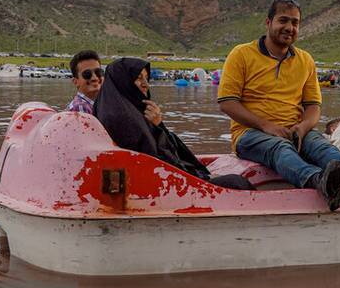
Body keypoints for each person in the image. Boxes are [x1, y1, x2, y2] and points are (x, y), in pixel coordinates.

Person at [218, 0, 340, 211]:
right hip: (250, 134)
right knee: (280, 147)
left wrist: (303, 127)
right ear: (268, 23)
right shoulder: (241, 54)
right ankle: (320, 182)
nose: (289, 27)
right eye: (283, 20)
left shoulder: (305, 60)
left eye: (295, 23)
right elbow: (227, 103)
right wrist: (266, 125)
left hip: (294, 129)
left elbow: (313, 107)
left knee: (321, 147)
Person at [95, 57, 253, 191]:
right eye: (138, 78)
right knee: (236, 183)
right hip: (162, 187)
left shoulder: (123, 110)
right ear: (124, 82)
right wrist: (158, 128)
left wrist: (158, 125)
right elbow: (158, 162)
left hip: (160, 182)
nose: (145, 84)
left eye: (146, 78)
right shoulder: (124, 119)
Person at [66, 50, 102, 114]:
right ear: (75, 82)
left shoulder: (96, 105)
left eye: (98, 72)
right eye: (87, 74)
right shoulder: (80, 107)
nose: (95, 78)